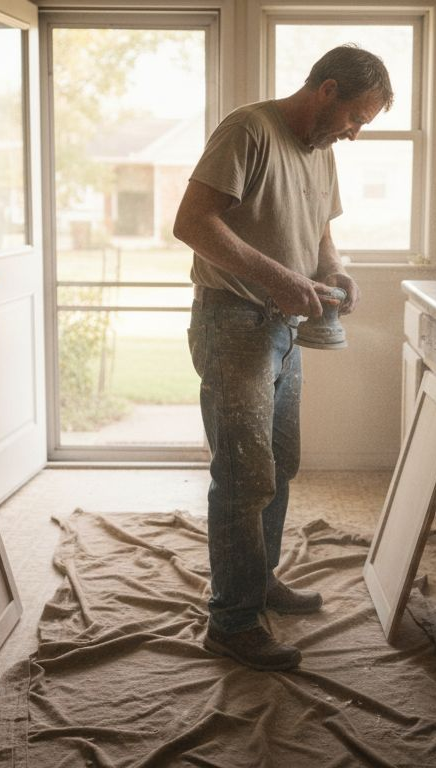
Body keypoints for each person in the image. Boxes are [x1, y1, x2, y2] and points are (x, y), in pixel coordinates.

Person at [172, 44, 393, 671]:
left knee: (280, 463)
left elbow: (320, 232)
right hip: (233, 321)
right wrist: (277, 279)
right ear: (327, 90)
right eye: (356, 118)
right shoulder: (248, 129)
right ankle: (232, 622)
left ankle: (258, 579)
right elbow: (192, 222)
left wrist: (337, 271)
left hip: (282, 326)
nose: (354, 134)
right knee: (243, 476)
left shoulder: (321, 152)